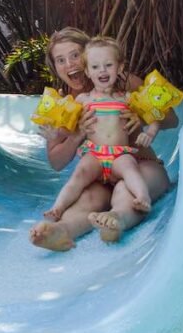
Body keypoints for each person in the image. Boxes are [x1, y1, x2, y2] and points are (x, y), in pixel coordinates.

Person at [28, 28, 177, 251]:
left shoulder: (123, 83)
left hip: (140, 165)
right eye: (61, 60)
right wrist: (77, 134)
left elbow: (171, 119)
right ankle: (61, 232)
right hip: (100, 174)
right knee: (86, 199)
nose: (70, 64)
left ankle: (117, 220)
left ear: (89, 54)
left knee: (125, 191)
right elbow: (56, 162)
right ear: (56, 67)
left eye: (75, 55)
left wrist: (141, 117)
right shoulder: (65, 103)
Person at [42, 36, 158, 222]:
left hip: (120, 153)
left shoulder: (127, 96)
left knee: (130, 170)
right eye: (61, 60)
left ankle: (142, 197)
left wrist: (147, 128)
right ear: (88, 70)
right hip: (95, 155)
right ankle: (58, 208)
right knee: (78, 176)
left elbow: (156, 114)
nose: (102, 70)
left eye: (74, 55)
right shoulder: (81, 100)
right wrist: (55, 134)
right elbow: (65, 130)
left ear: (119, 68)